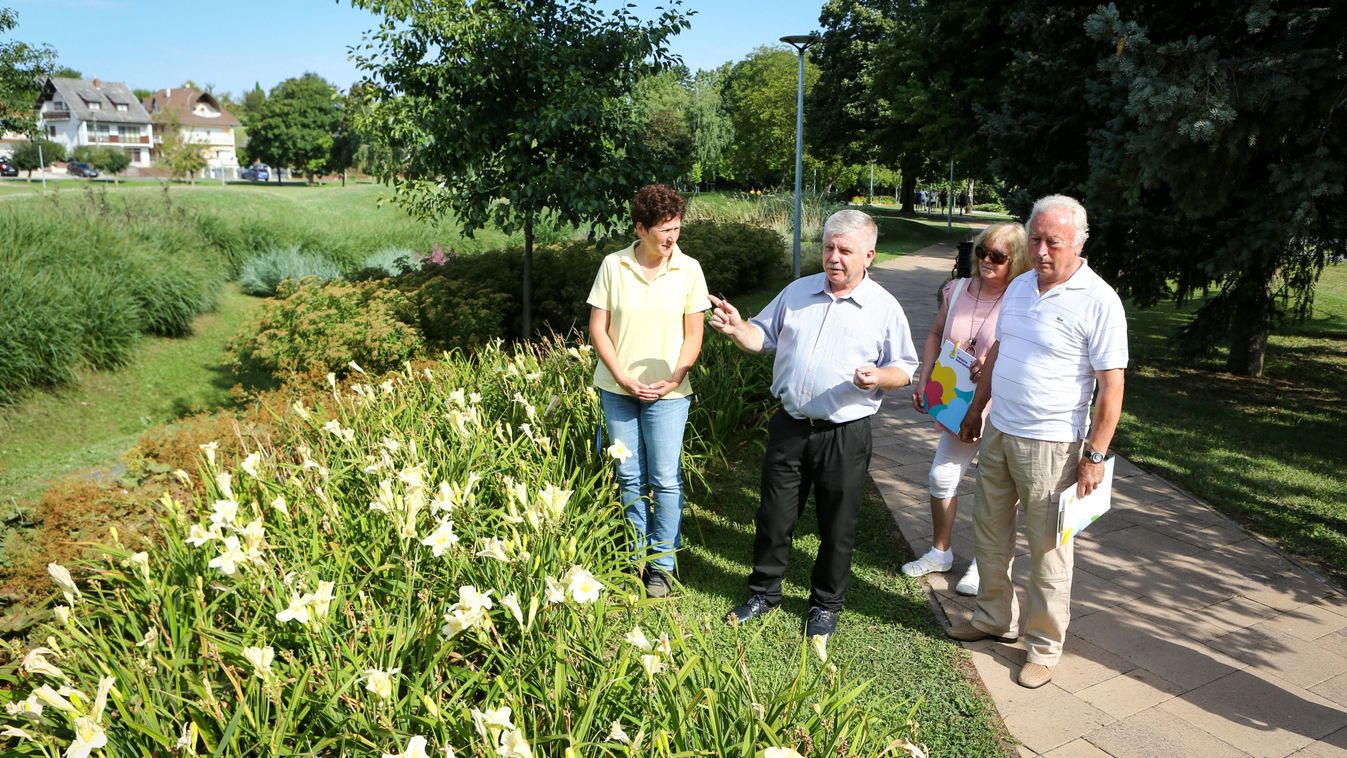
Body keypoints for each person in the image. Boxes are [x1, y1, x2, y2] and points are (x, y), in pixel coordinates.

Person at [708, 209, 919, 639]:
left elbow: (905, 369)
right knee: (774, 516)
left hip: (844, 434)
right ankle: (763, 593)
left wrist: (879, 377)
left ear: (869, 256)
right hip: (790, 425)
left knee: (837, 525)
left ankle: (825, 604)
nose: (834, 258)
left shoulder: (884, 308)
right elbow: (759, 338)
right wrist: (736, 328)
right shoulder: (797, 293)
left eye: (845, 250)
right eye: (828, 248)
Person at [947, 195, 1128, 689]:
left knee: (1048, 552)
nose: (1042, 251)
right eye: (1037, 239)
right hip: (1000, 431)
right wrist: (974, 409)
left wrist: (1094, 455)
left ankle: (1044, 647)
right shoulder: (1023, 285)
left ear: (1080, 243)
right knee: (989, 532)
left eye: (1055, 242)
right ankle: (991, 617)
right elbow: (1002, 349)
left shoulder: (1099, 300)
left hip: (1053, 447)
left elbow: (1112, 386)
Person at [587, 184, 710, 599]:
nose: (671, 237)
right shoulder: (613, 266)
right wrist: (621, 376)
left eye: (676, 227)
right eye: (663, 229)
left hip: (669, 394)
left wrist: (676, 376)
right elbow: (598, 329)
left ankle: (662, 564)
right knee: (629, 476)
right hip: (617, 390)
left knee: (665, 479)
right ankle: (633, 557)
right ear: (640, 228)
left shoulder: (689, 269)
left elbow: (694, 334)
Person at [905, 223, 1030, 596]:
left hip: (1002, 407)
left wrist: (996, 361)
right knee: (942, 478)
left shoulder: (1022, 299)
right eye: (982, 252)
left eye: (998, 256)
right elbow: (934, 333)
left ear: (1016, 261)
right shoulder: (958, 289)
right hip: (957, 402)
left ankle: (983, 565)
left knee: (998, 493)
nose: (987, 261)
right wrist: (923, 376)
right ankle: (939, 552)